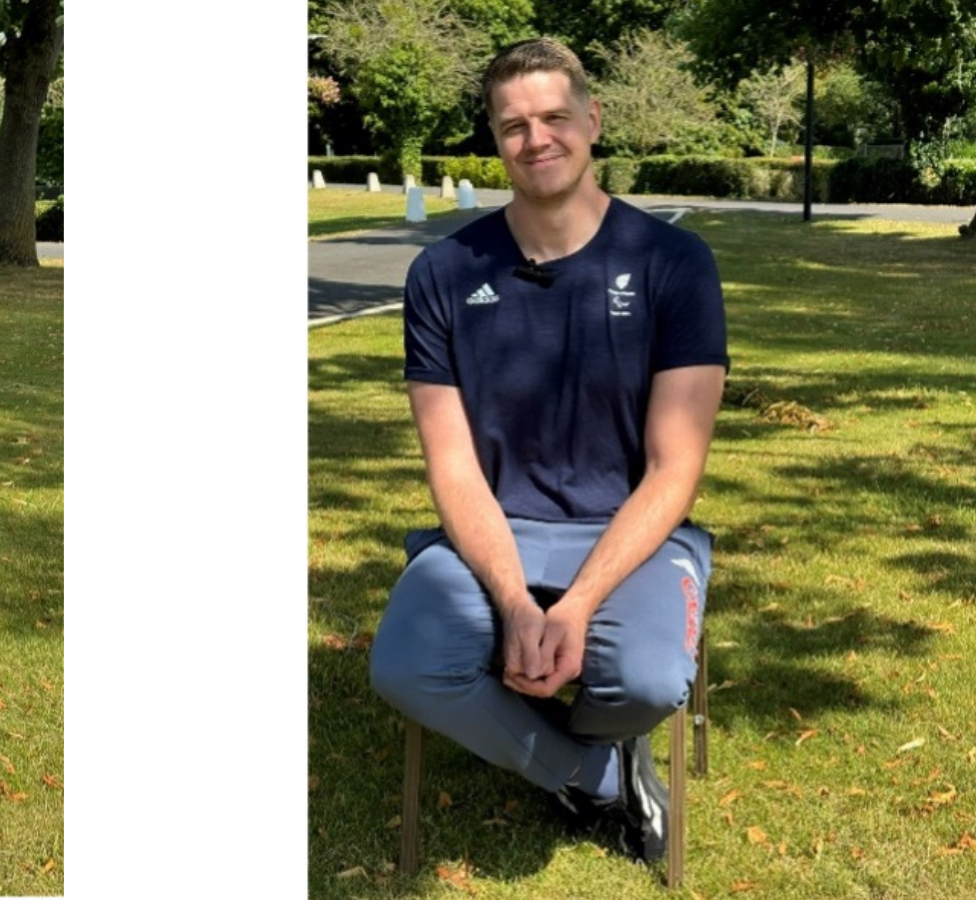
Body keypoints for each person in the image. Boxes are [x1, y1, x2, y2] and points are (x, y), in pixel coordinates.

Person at [369, 38, 728, 864]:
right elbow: (452, 465)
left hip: (633, 531)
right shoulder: (442, 272)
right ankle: (596, 774)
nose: (537, 139)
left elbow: (675, 467)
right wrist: (516, 602)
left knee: (643, 680)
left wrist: (574, 606)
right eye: (514, 125)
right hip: (497, 526)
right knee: (408, 667)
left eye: (555, 117)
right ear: (496, 140)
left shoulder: (674, 263)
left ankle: (594, 731)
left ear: (593, 120)